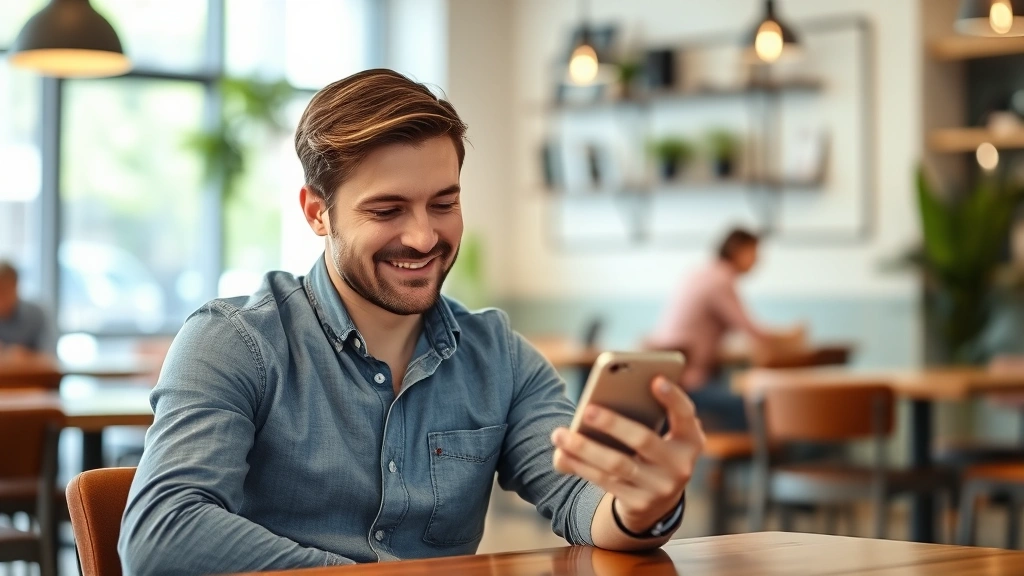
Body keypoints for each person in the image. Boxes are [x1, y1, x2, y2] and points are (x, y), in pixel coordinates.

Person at [118, 69, 704, 575]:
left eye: (443, 204)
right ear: (317, 213)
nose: (424, 237)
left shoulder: (498, 355)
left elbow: (578, 496)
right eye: (387, 209)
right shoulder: (235, 343)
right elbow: (162, 533)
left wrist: (639, 506)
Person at [644, 228, 801, 431]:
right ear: (738, 250)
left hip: (671, 375)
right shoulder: (720, 280)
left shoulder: (701, 273)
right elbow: (750, 330)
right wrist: (792, 338)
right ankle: (754, 459)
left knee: (748, 397)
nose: (757, 260)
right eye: (754, 253)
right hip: (688, 381)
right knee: (759, 408)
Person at [0, 260, 55, 358]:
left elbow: (50, 358)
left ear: (15, 286)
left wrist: (23, 355)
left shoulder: (36, 315)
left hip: (32, 372)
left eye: (4, 291)